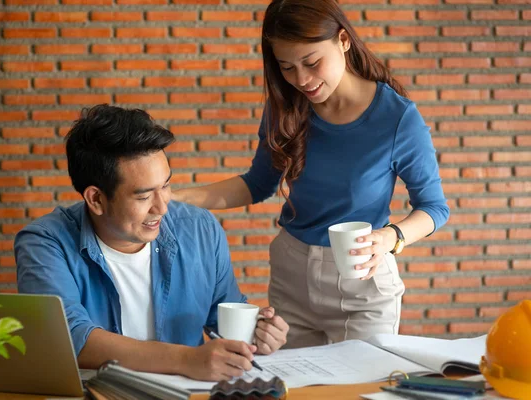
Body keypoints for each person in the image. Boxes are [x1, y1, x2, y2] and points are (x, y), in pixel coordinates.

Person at [173, 0, 449, 349]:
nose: (301, 80)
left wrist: (390, 238)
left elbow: (434, 208)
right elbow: (255, 185)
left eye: (312, 62)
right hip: (293, 278)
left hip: (362, 284)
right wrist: (176, 198)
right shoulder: (285, 109)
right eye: (287, 67)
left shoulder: (397, 118)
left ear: (343, 40)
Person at [15, 105, 289, 382]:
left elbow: (224, 315)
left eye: (166, 186)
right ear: (96, 199)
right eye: (144, 197)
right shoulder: (45, 243)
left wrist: (257, 333)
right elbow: (68, 338)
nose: (162, 207)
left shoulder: (200, 228)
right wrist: (186, 359)